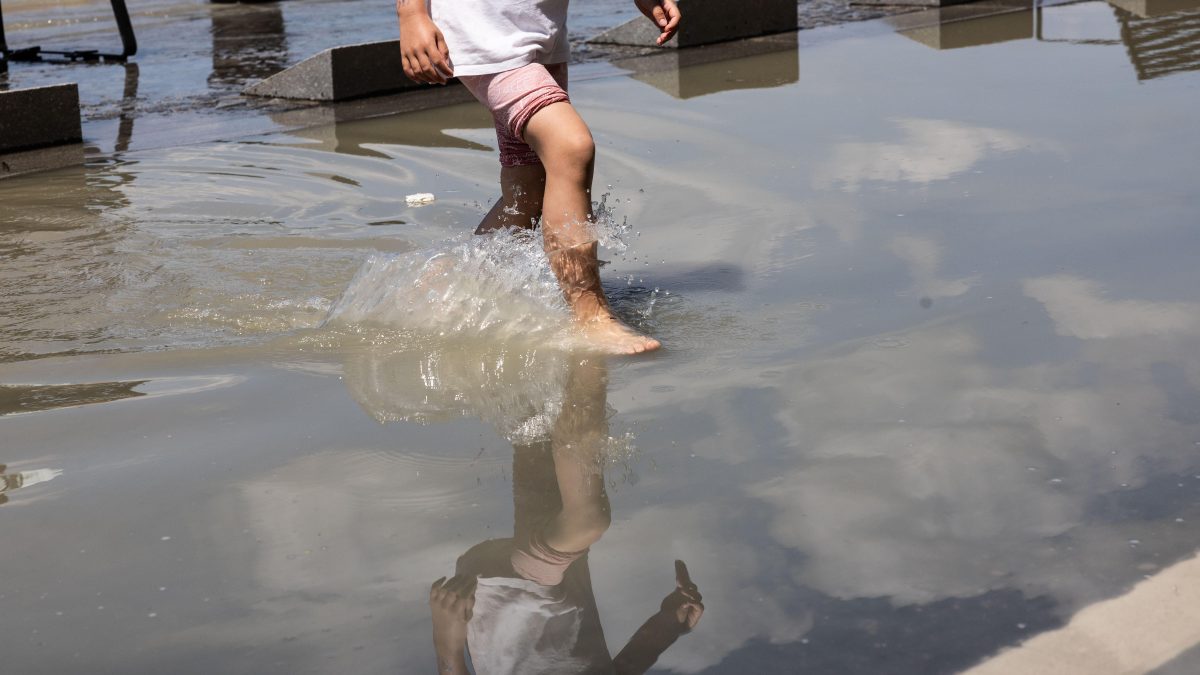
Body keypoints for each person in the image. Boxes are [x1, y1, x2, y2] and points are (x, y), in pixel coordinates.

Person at [396, 0, 681, 355]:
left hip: (538, 34)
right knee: (569, 147)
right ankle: (590, 318)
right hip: (484, 36)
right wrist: (412, 15)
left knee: (530, 190)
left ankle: (450, 282)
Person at [423, 356, 704, 674]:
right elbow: (626, 666)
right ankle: (515, 347)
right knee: (537, 429)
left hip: (505, 602)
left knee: (587, 521)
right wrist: (669, 625)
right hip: (561, 589)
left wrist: (446, 640)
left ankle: (590, 352)